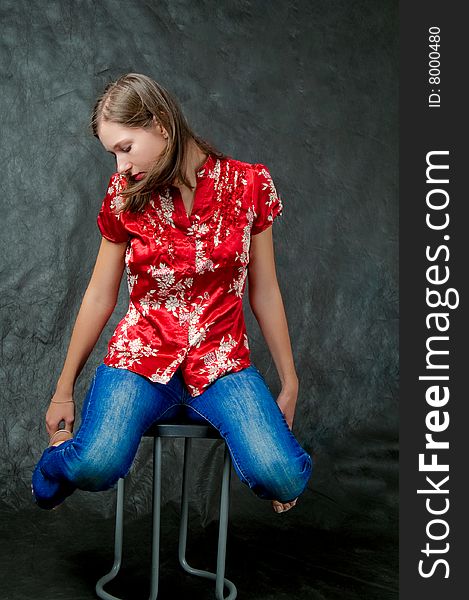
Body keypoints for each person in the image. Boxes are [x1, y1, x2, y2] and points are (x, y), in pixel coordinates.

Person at [31, 73, 313, 515]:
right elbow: (100, 295)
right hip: (139, 358)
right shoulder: (125, 195)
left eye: (125, 148)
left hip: (221, 362)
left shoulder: (248, 185)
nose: (120, 166)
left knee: (282, 475)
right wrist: (63, 390)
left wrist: (290, 380)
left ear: (161, 123)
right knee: (96, 464)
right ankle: (54, 465)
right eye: (112, 154)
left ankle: (276, 468)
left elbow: (266, 289)